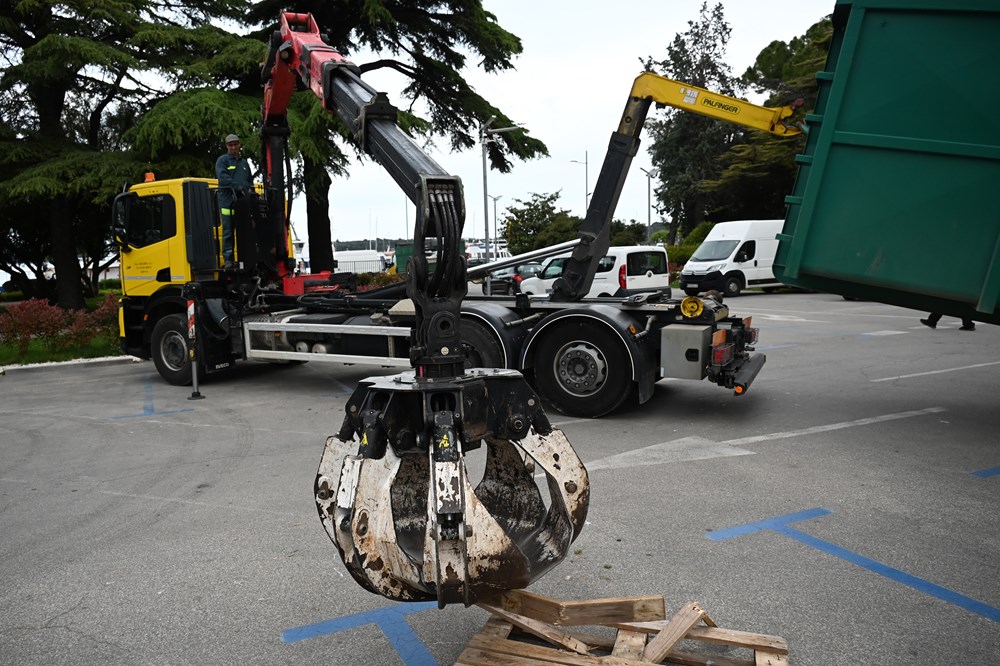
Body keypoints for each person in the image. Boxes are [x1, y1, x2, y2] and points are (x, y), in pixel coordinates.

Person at [215, 133, 253, 269]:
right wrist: (238, 187)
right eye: (230, 145)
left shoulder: (244, 163)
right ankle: (229, 260)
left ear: (239, 145)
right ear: (227, 146)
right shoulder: (222, 161)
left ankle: (246, 258)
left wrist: (250, 191)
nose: (233, 147)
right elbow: (223, 178)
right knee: (228, 232)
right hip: (227, 202)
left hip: (242, 202)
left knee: (244, 232)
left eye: (235, 144)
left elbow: (249, 180)